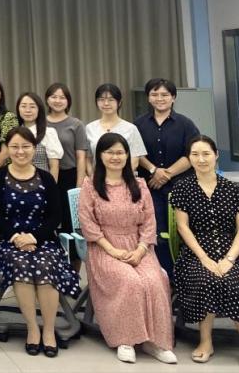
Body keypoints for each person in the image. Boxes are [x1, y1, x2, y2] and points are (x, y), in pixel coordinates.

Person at [77, 133, 176, 364]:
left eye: (120, 152)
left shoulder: (140, 185)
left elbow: (149, 222)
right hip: (104, 248)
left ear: (128, 155)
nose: (115, 157)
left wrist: (141, 250)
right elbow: (88, 224)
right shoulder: (90, 186)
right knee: (129, 281)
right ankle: (126, 340)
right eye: (110, 152)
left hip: (138, 246)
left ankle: (155, 342)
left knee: (156, 279)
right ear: (100, 156)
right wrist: (112, 251)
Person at [0, 126, 80, 358]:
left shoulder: (46, 178)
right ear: (7, 149)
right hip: (10, 241)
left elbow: (55, 216)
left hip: (43, 240)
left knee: (46, 266)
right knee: (21, 265)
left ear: (34, 148)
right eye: (15, 147)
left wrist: (34, 237)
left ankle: (48, 330)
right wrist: (17, 237)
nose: (20, 151)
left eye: (25, 146)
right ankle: (32, 328)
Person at [171, 135, 239, 368]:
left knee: (235, 279)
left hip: (233, 252)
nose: (201, 159)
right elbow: (183, 227)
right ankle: (205, 341)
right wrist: (204, 258)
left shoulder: (233, 189)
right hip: (196, 252)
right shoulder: (182, 189)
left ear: (216, 155)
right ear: (189, 158)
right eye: (195, 154)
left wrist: (229, 259)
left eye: (206, 154)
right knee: (206, 279)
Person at [133, 78, 199, 277]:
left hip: (182, 188)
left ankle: (187, 278)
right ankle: (165, 278)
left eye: (164, 94)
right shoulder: (138, 124)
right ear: (148, 98)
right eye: (154, 94)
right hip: (151, 189)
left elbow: (192, 154)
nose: (159, 98)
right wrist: (154, 170)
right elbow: (136, 152)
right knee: (157, 233)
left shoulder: (186, 124)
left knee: (184, 231)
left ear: (173, 97)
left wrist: (166, 173)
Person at [44, 83, 89, 270]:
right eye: (53, 96)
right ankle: (50, 269)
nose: (57, 100)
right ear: (47, 99)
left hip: (69, 178)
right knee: (49, 222)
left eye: (62, 97)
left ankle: (73, 273)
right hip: (45, 177)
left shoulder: (76, 124)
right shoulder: (40, 123)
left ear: (68, 101)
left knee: (71, 226)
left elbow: (81, 157)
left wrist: (78, 186)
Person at [84, 83, 146, 174]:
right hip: (97, 179)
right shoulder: (89, 128)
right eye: (101, 99)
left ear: (119, 102)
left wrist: (119, 178)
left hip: (125, 179)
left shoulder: (131, 128)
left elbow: (135, 159)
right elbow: (88, 158)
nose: (106, 103)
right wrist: (93, 176)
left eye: (111, 100)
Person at [15, 92, 63, 179]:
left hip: (42, 181)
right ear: (18, 109)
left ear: (39, 109)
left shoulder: (48, 133)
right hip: (16, 181)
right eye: (23, 106)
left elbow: (54, 166)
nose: (28, 110)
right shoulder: (14, 133)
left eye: (32, 107)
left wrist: (51, 185)